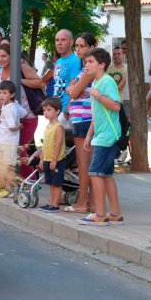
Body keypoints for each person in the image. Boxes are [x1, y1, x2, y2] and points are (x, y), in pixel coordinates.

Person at [78, 48, 124, 226]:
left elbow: (116, 106)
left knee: (95, 173)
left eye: (90, 62)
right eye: (85, 62)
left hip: (107, 135)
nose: (86, 65)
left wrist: (98, 95)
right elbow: (97, 114)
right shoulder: (96, 83)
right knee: (106, 175)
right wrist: (90, 135)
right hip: (101, 134)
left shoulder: (106, 82)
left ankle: (100, 213)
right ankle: (115, 213)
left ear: (102, 64)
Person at [0, 42, 43, 178]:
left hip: (27, 116)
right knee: (9, 151)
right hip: (10, 118)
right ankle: (14, 181)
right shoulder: (0, 72)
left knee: (20, 150)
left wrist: (19, 80)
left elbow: (39, 82)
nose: (0, 59)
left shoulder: (21, 67)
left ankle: (31, 181)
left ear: (11, 56)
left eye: (4, 56)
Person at [63, 32, 97, 213]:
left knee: (83, 163)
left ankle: (82, 203)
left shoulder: (88, 70)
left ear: (92, 47)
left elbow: (74, 92)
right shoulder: (83, 70)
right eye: (76, 46)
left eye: (82, 46)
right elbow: (73, 88)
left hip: (84, 119)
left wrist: (73, 89)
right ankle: (89, 202)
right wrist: (73, 88)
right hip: (80, 118)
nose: (78, 49)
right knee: (85, 162)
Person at [0, 80, 27, 198]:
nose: (1, 96)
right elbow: (24, 113)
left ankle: (9, 189)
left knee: (9, 166)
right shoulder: (14, 105)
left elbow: (12, 127)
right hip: (4, 142)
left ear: (12, 94)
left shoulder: (8, 109)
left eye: (4, 93)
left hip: (8, 143)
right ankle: (1, 184)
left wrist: (19, 126)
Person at [38, 97, 66, 213]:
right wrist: (42, 159)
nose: (46, 113)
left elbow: (58, 144)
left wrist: (54, 160)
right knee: (50, 183)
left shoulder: (58, 127)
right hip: (47, 159)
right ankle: (51, 202)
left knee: (57, 183)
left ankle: (55, 204)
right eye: (44, 110)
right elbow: (45, 144)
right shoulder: (48, 127)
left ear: (57, 111)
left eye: (49, 110)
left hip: (57, 160)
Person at [53, 29, 82, 116]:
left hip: (67, 111)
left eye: (63, 40)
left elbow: (74, 86)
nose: (59, 43)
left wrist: (67, 110)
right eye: (57, 40)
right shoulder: (58, 62)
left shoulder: (76, 61)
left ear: (71, 42)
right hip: (56, 108)